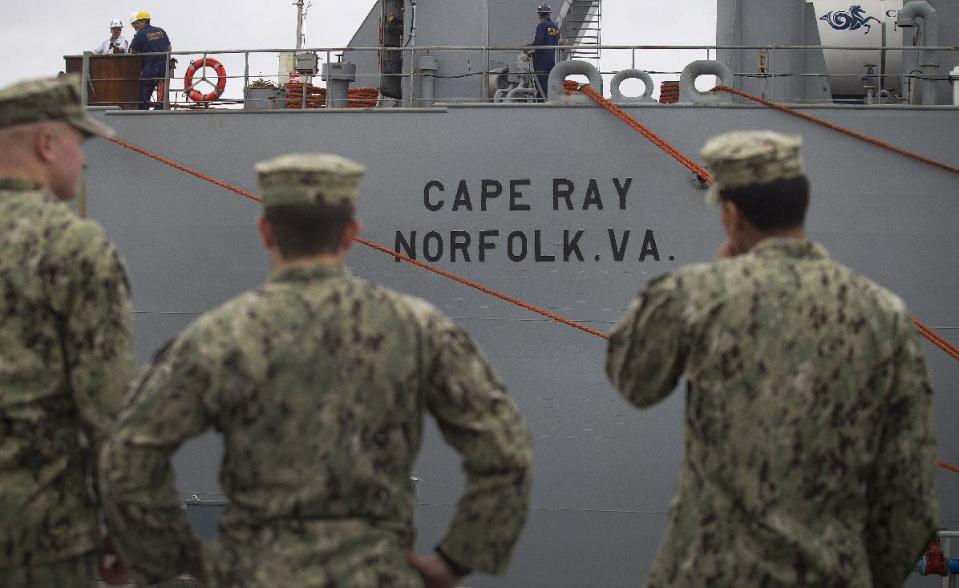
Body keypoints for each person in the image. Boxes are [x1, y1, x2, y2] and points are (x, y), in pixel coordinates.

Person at [100, 153, 534, 587]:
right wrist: (454, 561)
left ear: (266, 231)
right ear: (351, 233)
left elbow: (128, 455)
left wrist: (185, 560)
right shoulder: (419, 329)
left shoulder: (218, 335)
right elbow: (507, 452)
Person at [605, 130, 939, 587]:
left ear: (732, 214)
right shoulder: (883, 313)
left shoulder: (695, 295)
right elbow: (910, 490)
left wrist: (713, 276)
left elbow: (633, 382)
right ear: (802, 205)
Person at [0, 76, 134, 587]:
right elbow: (107, 406)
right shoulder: (74, 247)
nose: (83, 158)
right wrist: (128, 527)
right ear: (46, 143)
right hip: (38, 540)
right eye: (79, 141)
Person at [129, 10, 171, 110]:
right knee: (162, 87)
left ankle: (143, 110)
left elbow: (132, 51)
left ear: (144, 21)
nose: (136, 26)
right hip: (164, 65)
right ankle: (161, 107)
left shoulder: (140, 34)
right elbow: (169, 48)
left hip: (151, 66)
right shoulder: (160, 30)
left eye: (137, 23)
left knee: (146, 88)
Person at [530, 3, 560, 99]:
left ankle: (543, 101)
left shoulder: (541, 25)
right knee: (549, 81)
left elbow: (539, 40)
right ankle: (550, 98)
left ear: (540, 15)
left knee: (540, 83)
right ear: (548, 14)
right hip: (551, 60)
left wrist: (529, 48)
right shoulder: (555, 27)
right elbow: (557, 40)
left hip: (541, 60)